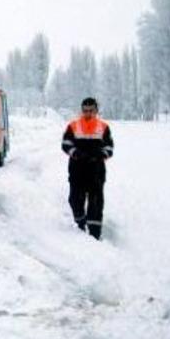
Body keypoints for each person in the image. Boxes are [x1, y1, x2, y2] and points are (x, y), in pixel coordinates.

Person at [61, 97, 114, 240]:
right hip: (77, 171)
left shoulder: (103, 127)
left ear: (96, 110)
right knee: (74, 200)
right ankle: (80, 223)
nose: (88, 113)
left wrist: (99, 155)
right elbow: (65, 144)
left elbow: (109, 147)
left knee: (95, 204)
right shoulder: (73, 126)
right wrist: (76, 153)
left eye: (91, 110)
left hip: (96, 172)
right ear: (81, 110)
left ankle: (94, 234)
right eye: (85, 111)